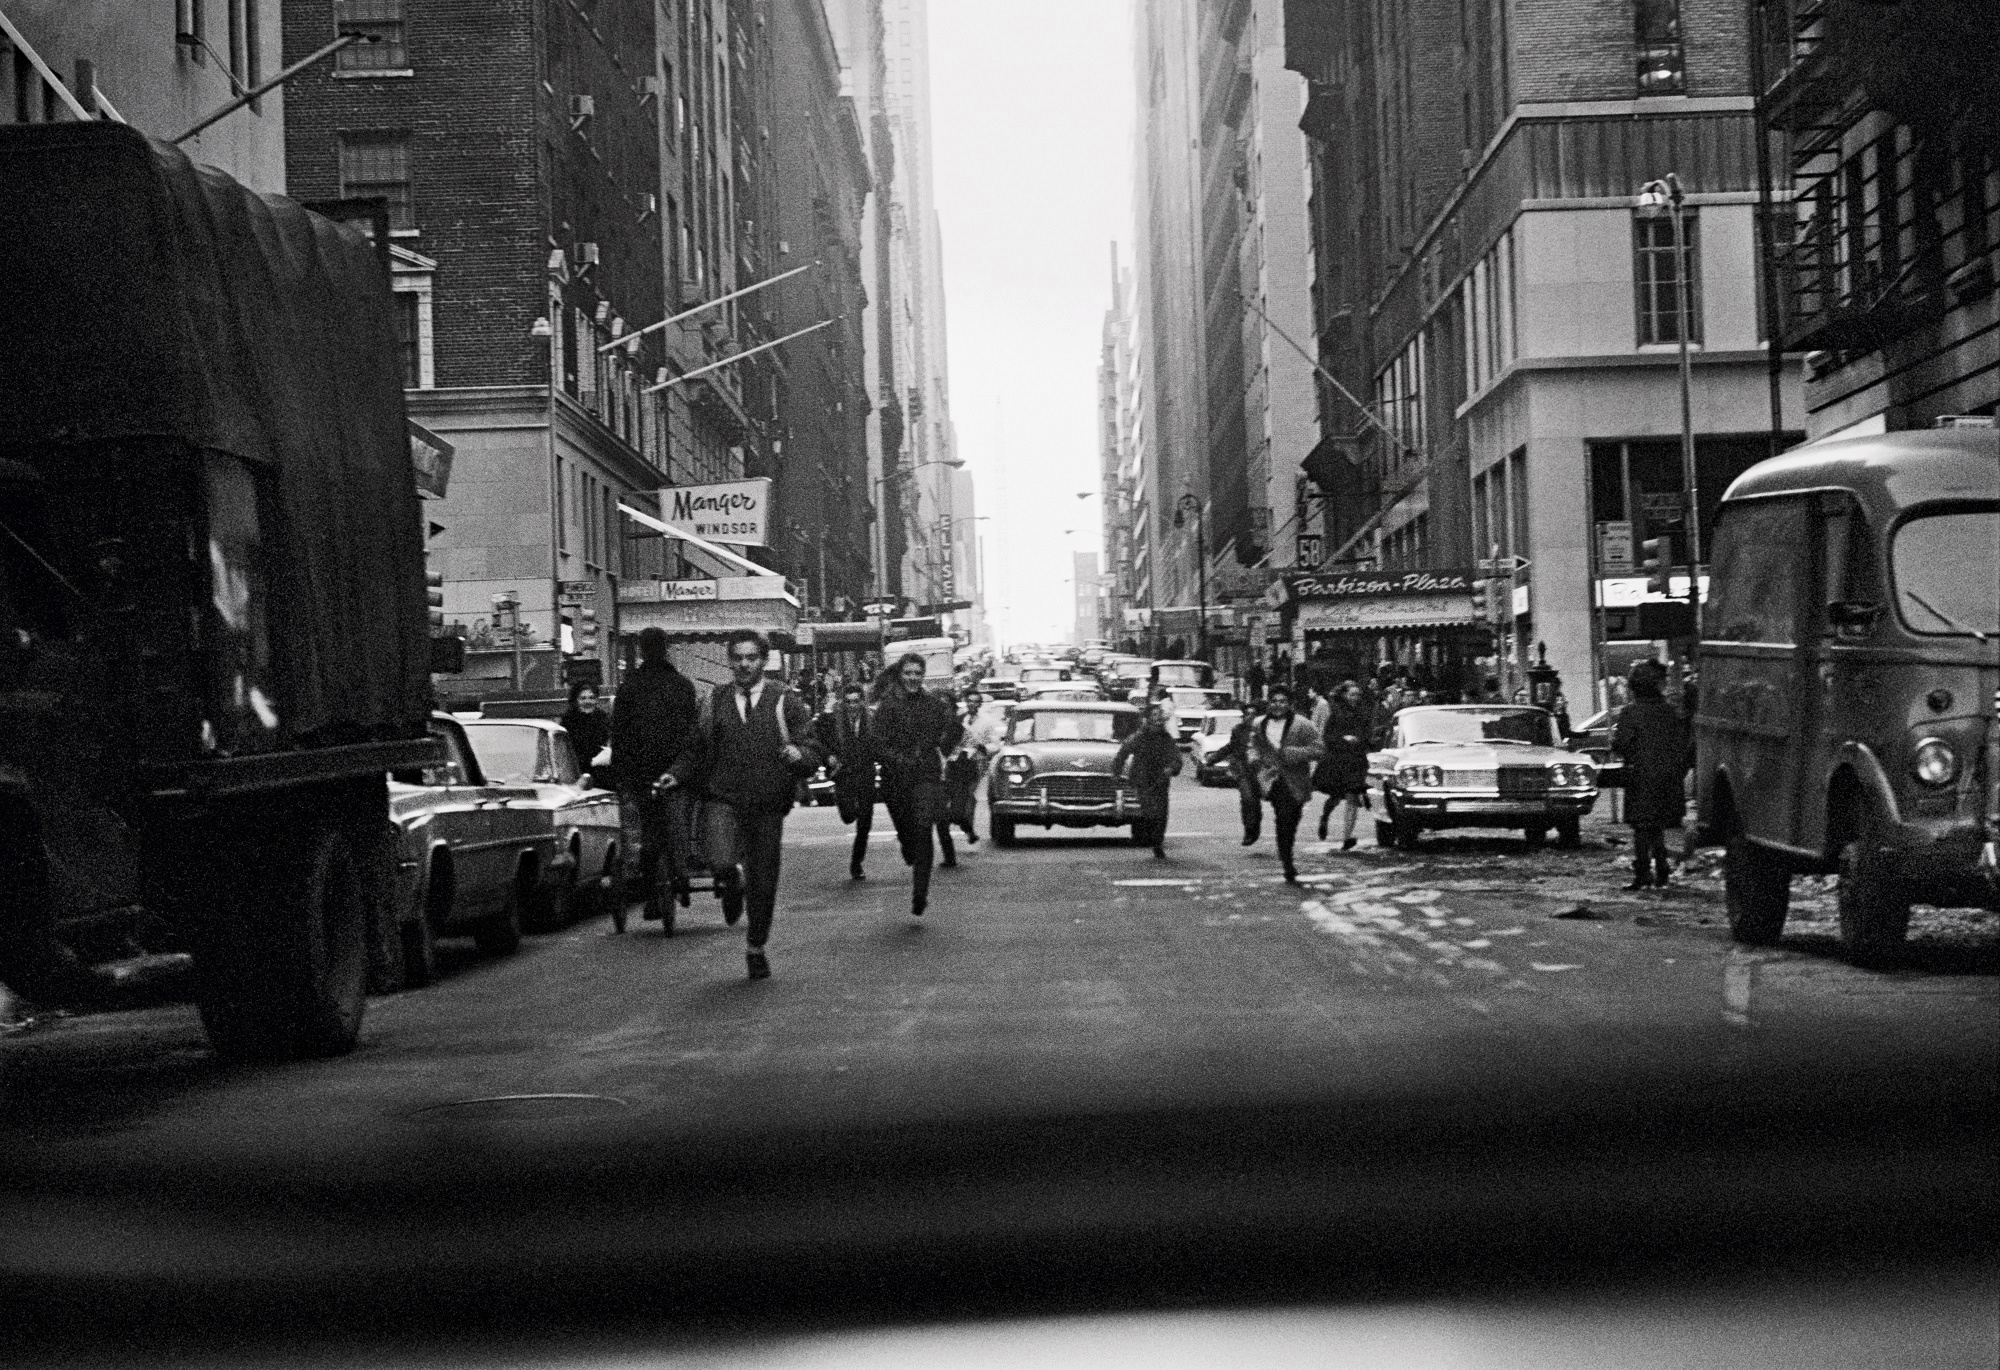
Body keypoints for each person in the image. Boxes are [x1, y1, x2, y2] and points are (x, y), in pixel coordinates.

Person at [666, 631, 822, 979]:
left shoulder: (785, 702)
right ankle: (729, 878)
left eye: (751, 658)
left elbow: (813, 748)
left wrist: (800, 755)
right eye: (737, 658)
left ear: (763, 661)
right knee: (718, 857)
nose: (744, 664)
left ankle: (756, 947)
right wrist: (675, 774)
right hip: (724, 797)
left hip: (768, 803)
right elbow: (695, 748)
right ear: (729, 661)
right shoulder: (714, 701)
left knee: (764, 881)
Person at [609, 627, 700, 922]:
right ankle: (680, 875)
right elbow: (692, 733)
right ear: (666, 650)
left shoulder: (628, 688)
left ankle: (652, 894)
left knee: (648, 831)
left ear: (641, 652)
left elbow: (619, 736)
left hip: (640, 773)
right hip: (675, 770)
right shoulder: (682, 686)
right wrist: (687, 769)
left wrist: (622, 774)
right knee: (677, 824)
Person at [873, 652, 964, 918]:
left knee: (924, 832)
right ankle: (906, 844)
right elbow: (877, 742)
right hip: (896, 780)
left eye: (917, 673)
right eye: (908, 673)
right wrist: (899, 760)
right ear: (900, 675)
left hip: (925, 777)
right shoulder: (888, 706)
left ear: (923, 676)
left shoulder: (933, 703)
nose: (913, 678)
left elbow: (954, 728)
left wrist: (941, 749)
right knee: (908, 833)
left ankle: (919, 894)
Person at [1612, 659, 1691, 891]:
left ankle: (1644, 872)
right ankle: (1662, 870)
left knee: (1642, 827)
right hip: (1667, 779)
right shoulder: (1670, 712)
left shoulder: (1631, 712)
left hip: (1641, 777)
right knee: (1656, 826)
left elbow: (1623, 744)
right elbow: (1682, 744)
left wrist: (1616, 744)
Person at [1245, 683, 1325, 883]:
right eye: (1274, 701)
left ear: (1289, 704)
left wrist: (1297, 753)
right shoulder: (1259, 723)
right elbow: (1253, 745)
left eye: (1282, 702)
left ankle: (1286, 851)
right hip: (1272, 779)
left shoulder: (1303, 724)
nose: (1278, 705)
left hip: (1296, 781)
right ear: (1268, 703)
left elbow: (1319, 749)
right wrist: (1253, 758)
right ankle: (1287, 860)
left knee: (1291, 819)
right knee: (1283, 816)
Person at [816, 682, 878, 880]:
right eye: (849, 702)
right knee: (849, 816)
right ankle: (845, 805)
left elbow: (882, 742)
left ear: (862, 702)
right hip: (844, 775)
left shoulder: (872, 719)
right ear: (844, 702)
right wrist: (829, 757)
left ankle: (856, 863)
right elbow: (817, 741)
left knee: (865, 824)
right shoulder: (831, 721)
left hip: (865, 774)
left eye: (856, 701)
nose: (852, 706)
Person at [1114, 701, 1184, 857]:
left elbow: (1176, 758)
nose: (1157, 719)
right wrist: (1117, 774)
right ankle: (1151, 836)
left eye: (1159, 715)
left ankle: (1157, 842)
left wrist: (1171, 768)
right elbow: (1123, 753)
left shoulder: (1166, 738)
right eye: (1153, 715)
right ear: (1147, 719)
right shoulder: (1139, 737)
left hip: (1160, 780)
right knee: (1149, 812)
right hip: (1142, 779)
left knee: (1161, 813)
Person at [1315, 680, 1372, 849]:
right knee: (1336, 796)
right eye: (1352, 694)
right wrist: (1343, 739)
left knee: (1352, 796)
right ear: (1344, 695)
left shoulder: (1362, 712)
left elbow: (1367, 734)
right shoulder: (1335, 711)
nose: (1355, 698)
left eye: (1358, 695)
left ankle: (1347, 837)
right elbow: (1327, 736)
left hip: (1356, 760)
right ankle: (1324, 817)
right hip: (1338, 760)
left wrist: (1362, 741)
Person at [946, 689, 1002, 845]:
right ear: (965, 701)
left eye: (976, 701)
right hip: (956, 764)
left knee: (971, 795)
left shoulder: (987, 722)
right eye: (969, 700)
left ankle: (968, 828)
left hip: (976, 764)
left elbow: (995, 744)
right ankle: (963, 824)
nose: (972, 704)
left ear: (980, 704)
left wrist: (982, 747)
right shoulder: (958, 719)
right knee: (957, 796)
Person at [560, 680, 610, 774]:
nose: (588, 702)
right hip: (576, 771)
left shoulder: (603, 718)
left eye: (592, 698)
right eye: (583, 698)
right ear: (575, 701)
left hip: (602, 771)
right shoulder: (568, 721)